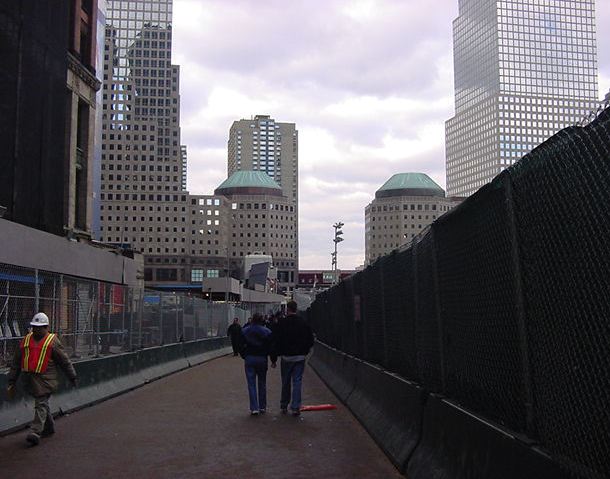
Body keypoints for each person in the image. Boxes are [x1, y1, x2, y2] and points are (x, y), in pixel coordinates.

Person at [7, 312, 78, 446]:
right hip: (30, 380)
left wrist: (72, 377)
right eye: (34, 327)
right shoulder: (26, 340)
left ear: (46, 327)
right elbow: (16, 362)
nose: (36, 330)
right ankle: (49, 427)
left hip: (46, 380)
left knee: (40, 403)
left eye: (40, 327)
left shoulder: (52, 342)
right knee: (43, 404)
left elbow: (64, 361)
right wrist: (12, 379)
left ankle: (35, 432)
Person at [271, 300, 314, 416]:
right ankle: (295, 407)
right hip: (300, 356)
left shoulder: (282, 323)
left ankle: (284, 404)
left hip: (286, 357)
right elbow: (310, 339)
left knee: (285, 381)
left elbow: (276, 341)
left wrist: (274, 358)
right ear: (296, 309)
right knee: (297, 381)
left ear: (287, 309)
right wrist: (305, 351)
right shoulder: (303, 323)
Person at [240, 313, 274, 415]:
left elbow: (240, 344)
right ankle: (262, 406)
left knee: (251, 384)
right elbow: (271, 346)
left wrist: (244, 355)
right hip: (262, 358)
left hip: (249, 357)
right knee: (262, 382)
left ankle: (254, 407)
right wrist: (272, 358)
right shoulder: (267, 331)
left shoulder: (245, 331)